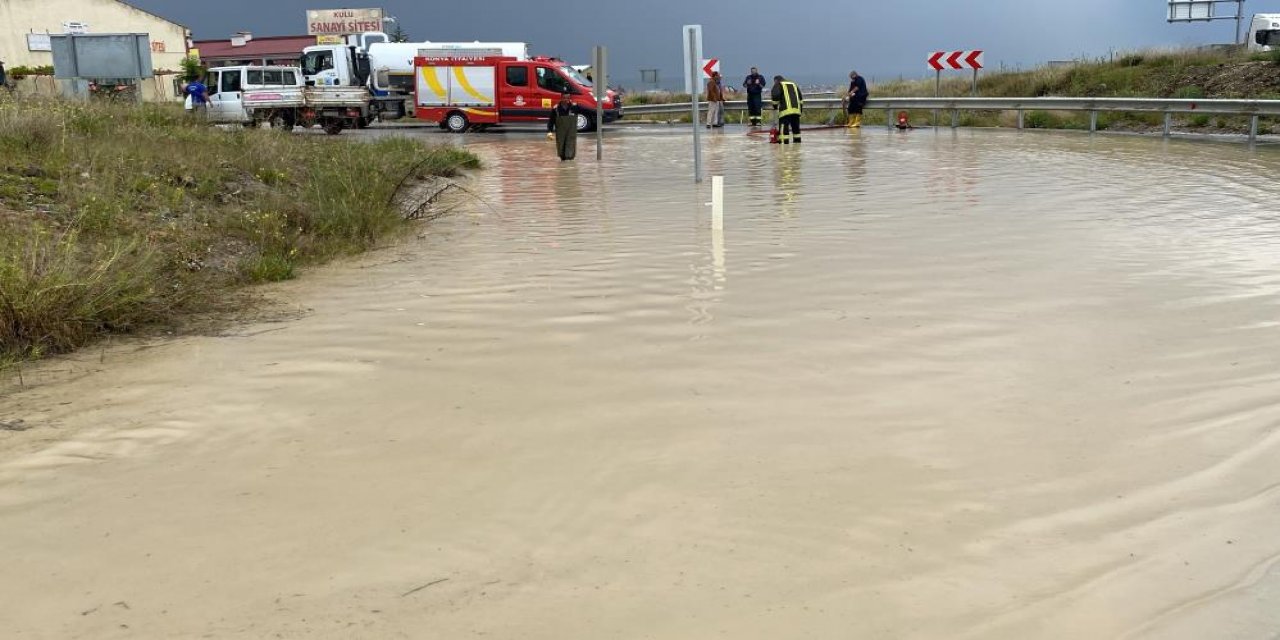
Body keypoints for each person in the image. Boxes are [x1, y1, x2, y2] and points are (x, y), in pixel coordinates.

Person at [546, 91, 586, 161]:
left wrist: (598, 111)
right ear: (561, 98)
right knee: (562, 152)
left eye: (568, 98)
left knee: (570, 151)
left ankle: (569, 165)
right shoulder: (556, 109)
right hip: (560, 134)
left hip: (571, 133)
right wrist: (549, 131)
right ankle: (563, 165)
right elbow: (551, 121)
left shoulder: (575, 106)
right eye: (564, 98)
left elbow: (587, 110)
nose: (566, 100)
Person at [771, 75, 803, 145]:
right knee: (796, 130)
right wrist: (800, 111)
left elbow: (775, 96)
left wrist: (775, 106)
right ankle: (797, 146)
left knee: (783, 131)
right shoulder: (793, 84)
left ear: (776, 80)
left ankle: (783, 147)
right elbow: (801, 99)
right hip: (796, 111)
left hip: (785, 112)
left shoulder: (779, 84)